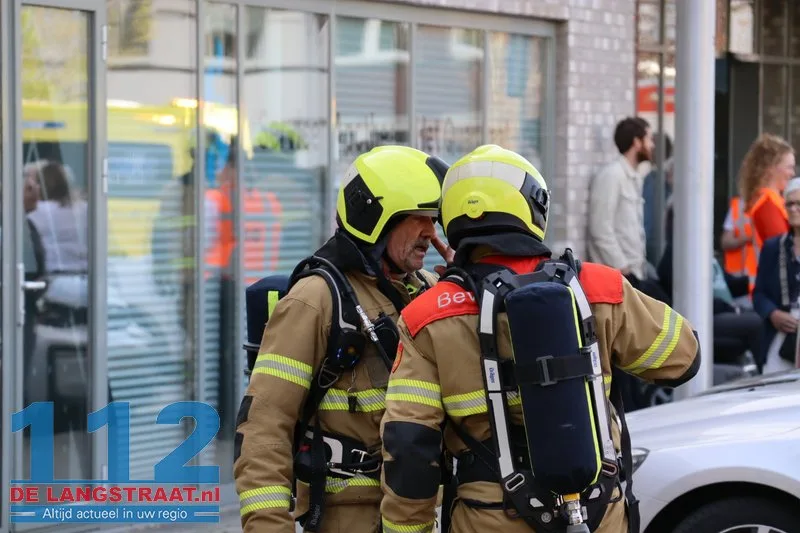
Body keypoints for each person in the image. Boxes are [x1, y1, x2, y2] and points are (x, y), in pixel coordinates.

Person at [380, 144, 701, 533]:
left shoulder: (427, 316)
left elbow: (409, 448)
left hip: (489, 519)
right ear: (531, 206)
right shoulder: (599, 288)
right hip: (599, 515)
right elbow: (684, 359)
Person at [233, 145, 452, 533]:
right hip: (349, 518)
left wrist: (467, 281)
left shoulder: (430, 293)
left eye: (433, 220)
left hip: (423, 516)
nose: (429, 233)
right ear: (376, 220)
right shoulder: (315, 301)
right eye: (418, 219)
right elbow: (265, 426)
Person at [587, 117, 669, 304]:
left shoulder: (634, 177)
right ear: (636, 142)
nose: (652, 145)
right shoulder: (612, 175)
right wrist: (623, 268)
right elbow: (600, 228)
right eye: (649, 139)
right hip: (619, 279)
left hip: (634, 275)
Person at [752, 176, 800, 373]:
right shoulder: (773, 247)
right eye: (790, 204)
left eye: (799, 204)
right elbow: (759, 294)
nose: (794, 209)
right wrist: (773, 313)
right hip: (782, 335)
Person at [740, 133, 794, 245]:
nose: (792, 173)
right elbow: (784, 251)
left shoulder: (772, 201)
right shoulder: (767, 205)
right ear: (770, 167)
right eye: (789, 167)